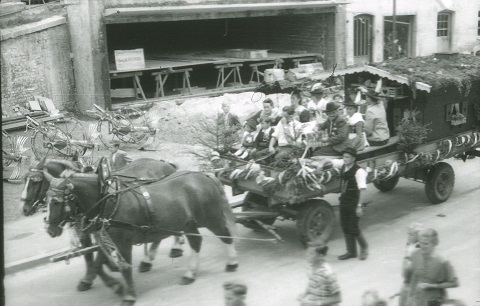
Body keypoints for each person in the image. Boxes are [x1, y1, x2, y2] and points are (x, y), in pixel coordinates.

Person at [401, 228, 459, 306]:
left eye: (426, 244)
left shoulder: (442, 260)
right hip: (418, 300)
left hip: (435, 300)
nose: (422, 246)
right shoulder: (415, 254)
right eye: (421, 243)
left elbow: (455, 283)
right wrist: (410, 298)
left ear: (434, 243)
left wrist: (432, 285)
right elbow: (414, 277)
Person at [337, 147, 369, 261]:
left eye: (347, 157)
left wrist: (359, 206)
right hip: (344, 201)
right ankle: (351, 251)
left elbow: (363, 190)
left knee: (353, 228)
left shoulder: (359, 171)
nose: (344, 159)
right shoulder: (343, 167)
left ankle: (364, 248)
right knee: (345, 227)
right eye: (344, 157)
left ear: (353, 159)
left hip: (354, 203)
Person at [298, 242, 342, 306]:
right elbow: (312, 284)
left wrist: (315, 303)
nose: (307, 255)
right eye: (307, 252)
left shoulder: (328, 273)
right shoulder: (310, 267)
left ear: (320, 256)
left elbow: (338, 298)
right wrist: (304, 294)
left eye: (311, 253)